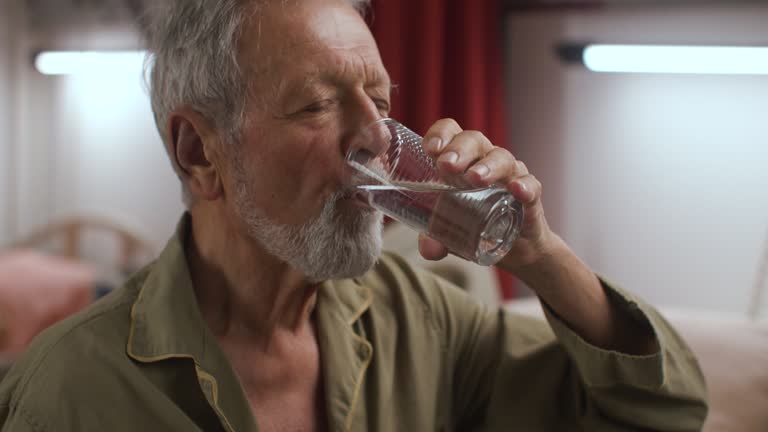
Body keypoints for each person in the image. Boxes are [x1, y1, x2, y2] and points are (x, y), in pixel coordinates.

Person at [0, 0, 707, 430]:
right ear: (199, 154)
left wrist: (542, 255)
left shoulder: (425, 324)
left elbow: (661, 413)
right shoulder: (68, 394)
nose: (374, 135)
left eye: (382, 99)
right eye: (316, 103)